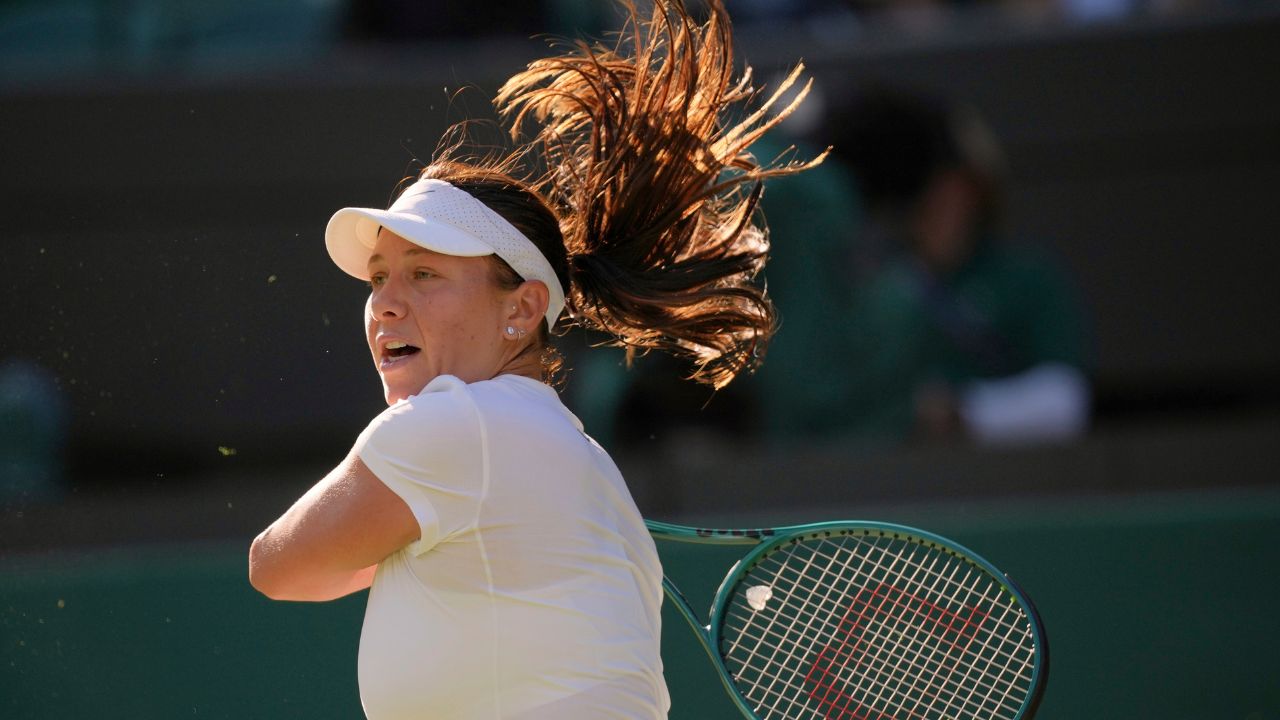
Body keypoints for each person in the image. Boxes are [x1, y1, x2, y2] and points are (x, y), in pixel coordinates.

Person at [247, 1, 820, 718]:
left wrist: (406, 520)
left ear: (521, 309)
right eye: (378, 279)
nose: (385, 304)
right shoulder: (587, 468)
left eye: (424, 273)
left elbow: (277, 565)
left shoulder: (451, 428)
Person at [836, 86, 1093, 445]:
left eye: (951, 183)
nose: (937, 200)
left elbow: (1065, 401)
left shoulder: (1025, 278)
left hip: (1000, 467)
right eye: (924, 186)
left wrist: (962, 411)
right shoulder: (868, 283)